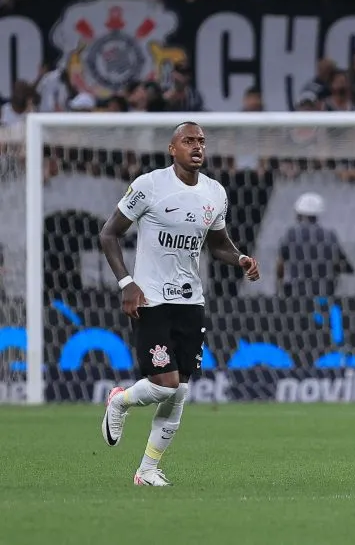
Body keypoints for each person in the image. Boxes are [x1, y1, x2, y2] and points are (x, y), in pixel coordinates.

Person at [97, 122, 260, 486]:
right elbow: (109, 233)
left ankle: (148, 469)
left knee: (181, 388)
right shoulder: (149, 185)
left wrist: (240, 259)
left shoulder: (215, 193)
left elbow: (217, 244)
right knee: (166, 384)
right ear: (173, 148)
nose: (197, 147)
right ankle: (120, 400)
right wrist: (127, 283)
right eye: (189, 141)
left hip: (191, 301)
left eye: (201, 141)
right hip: (151, 299)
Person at [277, 192, 351, 298]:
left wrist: (278, 287)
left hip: (297, 292)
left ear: (298, 214)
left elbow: (280, 264)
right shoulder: (329, 236)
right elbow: (341, 264)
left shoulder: (291, 235)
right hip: (324, 291)